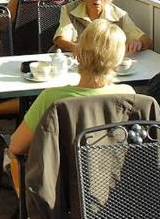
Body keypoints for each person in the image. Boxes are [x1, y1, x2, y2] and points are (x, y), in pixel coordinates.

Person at [9, 20, 135, 156]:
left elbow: (17, 147)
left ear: (78, 55)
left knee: (11, 155)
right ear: (118, 63)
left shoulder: (52, 99)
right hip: (113, 173)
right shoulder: (128, 95)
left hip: (63, 175)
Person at [53, 0, 151, 55]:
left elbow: (146, 40)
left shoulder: (119, 15)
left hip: (104, 66)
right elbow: (61, 39)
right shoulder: (70, 10)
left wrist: (138, 43)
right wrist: (78, 49)